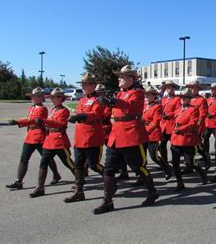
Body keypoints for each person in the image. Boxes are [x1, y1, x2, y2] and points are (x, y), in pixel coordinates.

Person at [93, 65, 159, 214]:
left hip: (131, 135)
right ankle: (107, 201)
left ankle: (152, 191)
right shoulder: (120, 93)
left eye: (122, 77)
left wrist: (112, 101)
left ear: (131, 79)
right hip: (116, 134)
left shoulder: (138, 92)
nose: (119, 79)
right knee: (109, 168)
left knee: (138, 167)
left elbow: (129, 106)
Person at [6, 87, 61, 189]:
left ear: (40, 98)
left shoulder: (42, 109)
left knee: (47, 159)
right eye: (32, 96)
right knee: (24, 158)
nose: (32, 98)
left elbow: (34, 120)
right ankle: (19, 181)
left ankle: (56, 174)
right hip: (30, 136)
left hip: (39, 136)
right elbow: (29, 119)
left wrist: (18, 122)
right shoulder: (32, 107)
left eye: (34, 96)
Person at [64, 74, 105, 203]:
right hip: (80, 136)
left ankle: (110, 180)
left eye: (86, 84)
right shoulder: (81, 100)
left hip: (92, 135)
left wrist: (80, 116)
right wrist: (75, 117)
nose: (83, 87)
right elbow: (79, 113)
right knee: (78, 165)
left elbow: (96, 113)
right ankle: (79, 191)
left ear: (93, 85)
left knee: (94, 165)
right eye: (82, 84)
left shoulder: (98, 99)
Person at [29, 88, 76, 198]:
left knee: (68, 162)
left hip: (60, 140)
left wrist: (44, 121)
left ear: (61, 99)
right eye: (51, 98)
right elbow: (49, 123)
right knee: (43, 163)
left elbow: (59, 123)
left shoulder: (64, 111)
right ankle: (40, 187)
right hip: (50, 140)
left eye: (54, 98)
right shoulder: (53, 110)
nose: (52, 100)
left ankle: (80, 179)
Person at [170, 88, 208, 191]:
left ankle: (203, 174)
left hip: (187, 139)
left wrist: (181, 129)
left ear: (189, 99)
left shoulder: (194, 109)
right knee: (175, 164)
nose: (182, 99)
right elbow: (174, 120)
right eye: (181, 97)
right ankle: (180, 183)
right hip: (176, 139)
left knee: (190, 163)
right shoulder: (178, 109)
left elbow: (193, 123)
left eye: (185, 97)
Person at [143, 86, 172, 179]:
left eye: (148, 94)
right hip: (142, 133)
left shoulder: (157, 107)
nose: (146, 96)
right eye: (145, 94)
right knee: (142, 157)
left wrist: (147, 131)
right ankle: (142, 176)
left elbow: (155, 122)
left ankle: (167, 167)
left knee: (154, 156)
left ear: (153, 96)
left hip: (152, 133)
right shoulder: (145, 105)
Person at [186, 80, 210, 170]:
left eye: (193, 88)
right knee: (190, 146)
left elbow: (203, 114)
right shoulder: (188, 99)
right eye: (190, 87)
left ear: (198, 89)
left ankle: (205, 157)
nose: (191, 89)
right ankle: (190, 164)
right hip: (187, 126)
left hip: (196, 126)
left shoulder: (201, 100)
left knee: (195, 146)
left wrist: (197, 126)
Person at [158, 81, 181, 165]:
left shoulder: (177, 99)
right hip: (163, 125)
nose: (167, 89)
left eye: (169, 87)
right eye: (166, 87)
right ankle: (165, 163)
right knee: (161, 145)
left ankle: (176, 162)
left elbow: (178, 111)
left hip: (172, 125)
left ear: (174, 88)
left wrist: (168, 115)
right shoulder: (163, 99)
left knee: (174, 146)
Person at [204, 83, 216, 158]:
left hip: (215, 122)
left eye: (214, 89)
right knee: (205, 139)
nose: (212, 91)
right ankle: (206, 154)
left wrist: (213, 114)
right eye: (211, 89)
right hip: (207, 123)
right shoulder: (208, 99)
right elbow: (205, 108)